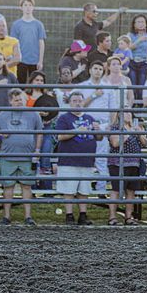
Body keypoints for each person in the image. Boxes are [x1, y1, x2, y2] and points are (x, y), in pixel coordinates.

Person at [0, 88, 43, 226]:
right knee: (8, 187)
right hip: (8, 156)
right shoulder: (3, 114)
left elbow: (39, 132)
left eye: (20, 99)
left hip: (27, 157)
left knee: (26, 186)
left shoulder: (33, 114)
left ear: (25, 99)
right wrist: (1, 134)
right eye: (15, 100)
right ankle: (6, 217)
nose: (19, 102)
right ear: (10, 101)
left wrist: (37, 150)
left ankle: (28, 217)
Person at [54, 91, 101, 225]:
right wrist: (77, 131)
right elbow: (60, 137)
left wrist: (98, 130)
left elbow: (99, 138)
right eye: (74, 101)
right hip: (69, 160)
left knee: (84, 190)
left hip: (87, 161)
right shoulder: (64, 118)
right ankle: (69, 215)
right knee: (68, 189)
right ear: (69, 103)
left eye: (80, 100)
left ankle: (83, 215)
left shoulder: (90, 117)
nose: (77, 103)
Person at [77, 61, 117, 192]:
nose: (98, 71)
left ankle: (101, 191)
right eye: (95, 68)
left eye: (100, 69)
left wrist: (110, 126)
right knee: (84, 159)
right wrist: (94, 95)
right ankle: (83, 190)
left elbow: (113, 109)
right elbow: (79, 106)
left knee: (101, 160)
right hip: (85, 125)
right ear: (90, 70)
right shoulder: (82, 86)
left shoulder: (108, 87)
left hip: (102, 125)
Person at [107, 111, 147, 226]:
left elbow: (145, 143)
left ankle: (128, 217)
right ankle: (112, 217)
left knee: (131, 191)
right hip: (118, 164)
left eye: (129, 113)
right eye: (125, 113)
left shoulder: (136, 127)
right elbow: (115, 143)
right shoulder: (115, 127)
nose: (128, 115)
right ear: (119, 115)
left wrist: (140, 133)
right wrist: (129, 133)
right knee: (116, 190)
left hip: (134, 164)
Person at [10, 0, 46, 84]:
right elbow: (13, 44)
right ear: (21, 7)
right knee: (20, 84)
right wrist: (14, 58)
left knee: (34, 85)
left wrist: (40, 61)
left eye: (30, 5)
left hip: (35, 60)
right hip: (21, 60)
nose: (28, 7)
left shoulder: (38, 24)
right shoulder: (16, 24)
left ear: (33, 7)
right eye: (25, 5)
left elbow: (41, 43)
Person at [126, 15, 147, 103]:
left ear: (146, 24)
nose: (141, 24)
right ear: (134, 24)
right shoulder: (130, 35)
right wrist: (139, 40)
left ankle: (140, 106)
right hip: (132, 62)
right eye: (138, 22)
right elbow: (128, 48)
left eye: (142, 22)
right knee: (133, 85)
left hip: (144, 63)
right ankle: (132, 106)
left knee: (142, 85)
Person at [0, 51, 18, 126]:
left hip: (7, 113)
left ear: (4, 62)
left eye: (0, 59)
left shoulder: (11, 76)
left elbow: (18, 92)